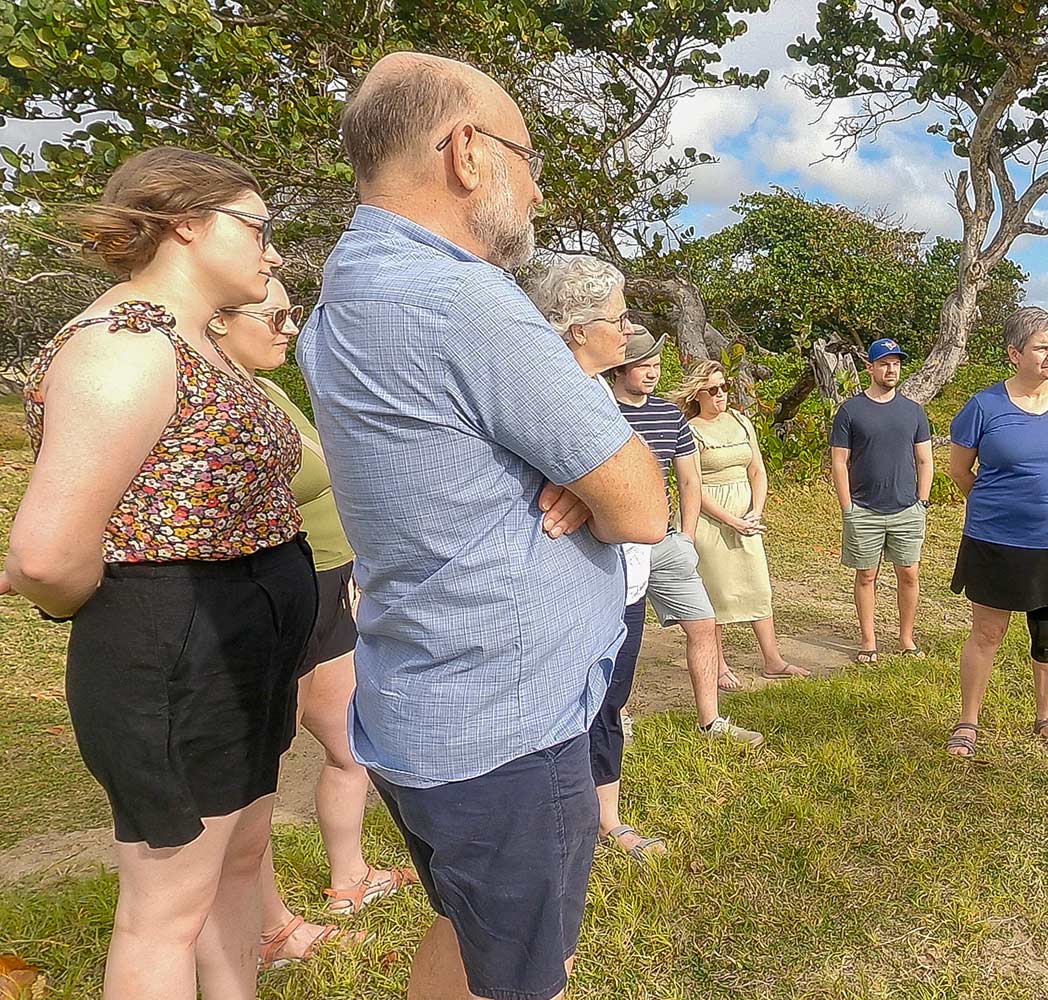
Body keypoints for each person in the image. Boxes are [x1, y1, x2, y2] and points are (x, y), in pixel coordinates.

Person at [297, 53, 666, 1000]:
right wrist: (592, 477)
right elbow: (645, 503)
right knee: (529, 977)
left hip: (426, 699)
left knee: (465, 931)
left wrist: (577, 477)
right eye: (527, 154)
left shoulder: (345, 293)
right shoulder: (462, 299)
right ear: (467, 153)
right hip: (510, 725)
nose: (536, 184)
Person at [2, 147, 316, 1000]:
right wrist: (114, 618)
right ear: (184, 222)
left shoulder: (194, 342)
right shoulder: (125, 347)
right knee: (164, 909)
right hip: (175, 649)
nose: (274, 252)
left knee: (240, 862)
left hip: (234, 643)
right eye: (257, 226)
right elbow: (44, 556)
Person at [206, 278, 416, 968]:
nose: (291, 328)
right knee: (257, 780)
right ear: (218, 322)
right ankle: (268, 929)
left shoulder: (268, 391)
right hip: (279, 595)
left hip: (329, 581)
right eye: (275, 315)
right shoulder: (215, 400)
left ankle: (348, 878)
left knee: (350, 743)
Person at [945, 307, 1048, 759]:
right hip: (995, 538)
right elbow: (958, 471)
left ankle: (1047, 717)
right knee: (987, 633)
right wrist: (998, 505)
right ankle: (968, 720)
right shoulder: (983, 406)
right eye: (1041, 347)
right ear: (1014, 354)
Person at [605, 330, 767, 745]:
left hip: (665, 541)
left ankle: (710, 721)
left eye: (657, 366)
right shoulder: (601, 412)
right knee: (617, 634)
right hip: (613, 546)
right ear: (620, 368)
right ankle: (616, 714)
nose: (653, 373)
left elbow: (690, 481)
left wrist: (687, 538)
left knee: (704, 623)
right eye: (644, 366)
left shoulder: (668, 415)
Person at [676, 360, 811, 682]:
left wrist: (755, 511)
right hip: (710, 519)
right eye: (713, 389)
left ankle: (773, 659)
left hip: (747, 516)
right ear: (697, 394)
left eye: (724, 386)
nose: (721, 394)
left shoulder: (740, 420)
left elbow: (757, 470)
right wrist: (730, 520)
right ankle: (718, 666)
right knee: (716, 592)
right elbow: (692, 484)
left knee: (758, 587)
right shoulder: (690, 430)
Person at [829, 337, 934, 663]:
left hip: (907, 509)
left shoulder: (913, 411)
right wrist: (847, 508)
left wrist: (922, 502)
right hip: (863, 509)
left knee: (909, 574)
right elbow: (838, 462)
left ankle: (906, 639)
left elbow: (925, 460)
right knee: (866, 575)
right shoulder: (850, 411)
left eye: (896, 363)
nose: (891, 369)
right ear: (870, 367)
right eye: (885, 363)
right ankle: (868, 641)